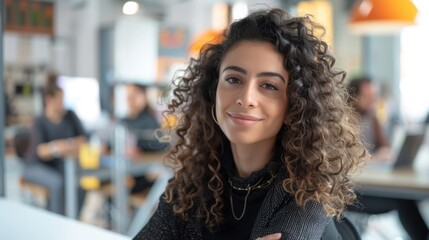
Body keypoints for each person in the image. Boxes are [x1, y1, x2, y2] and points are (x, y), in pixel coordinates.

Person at [133, 8, 366, 240]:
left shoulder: (310, 189)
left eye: (269, 86)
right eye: (234, 79)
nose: (246, 98)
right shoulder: (193, 182)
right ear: (214, 90)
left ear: (295, 104)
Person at [348, 76, 429, 240]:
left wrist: (381, 154)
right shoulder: (344, 121)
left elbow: (385, 145)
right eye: (368, 96)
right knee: (404, 200)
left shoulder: (371, 116)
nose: (373, 100)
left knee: (408, 198)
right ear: (354, 96)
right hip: (354, 192)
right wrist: (376, 157)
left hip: (371, 179)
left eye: (374, 96)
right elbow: (349, 159)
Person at [22, 73, 87, 215]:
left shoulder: (70, 116)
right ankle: (56, 223)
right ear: (49, 100)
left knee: (81, 184)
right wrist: (60, 147)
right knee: (57, 183)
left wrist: (63, 145)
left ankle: (72, 219)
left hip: (61, 166)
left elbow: (83, 139)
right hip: (35, 167)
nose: (63, 104)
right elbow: (41, 151)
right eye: (59, 100)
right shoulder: (40, 121)